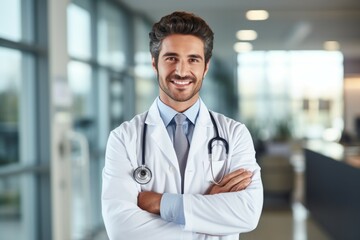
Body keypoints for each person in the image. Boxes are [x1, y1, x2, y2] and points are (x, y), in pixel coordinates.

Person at [102, 11, 263, 240]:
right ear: (154, 63)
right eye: (171, 58)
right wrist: (211, 214)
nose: (181, 70)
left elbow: (247, 213)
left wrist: (161, 203)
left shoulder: (234, 134)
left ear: (206, 67)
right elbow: (121, 229)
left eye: (193, 60)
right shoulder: (124, 138)